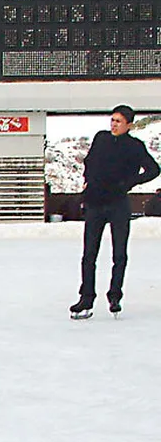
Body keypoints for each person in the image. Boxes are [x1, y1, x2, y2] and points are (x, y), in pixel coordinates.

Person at [70, 104, 161, 319]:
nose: (114, 124)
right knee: (89, 254)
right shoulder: (101, 138)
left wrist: (129, 182)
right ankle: (86, 297)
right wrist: (88, 181)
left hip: (118, 203)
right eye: (112, 120)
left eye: (119, 121)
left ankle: (115, 296)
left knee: (119, 254)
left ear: (129, 125)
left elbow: (154, 169)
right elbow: (90, 161)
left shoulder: (135, 146)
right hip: (94, 202)